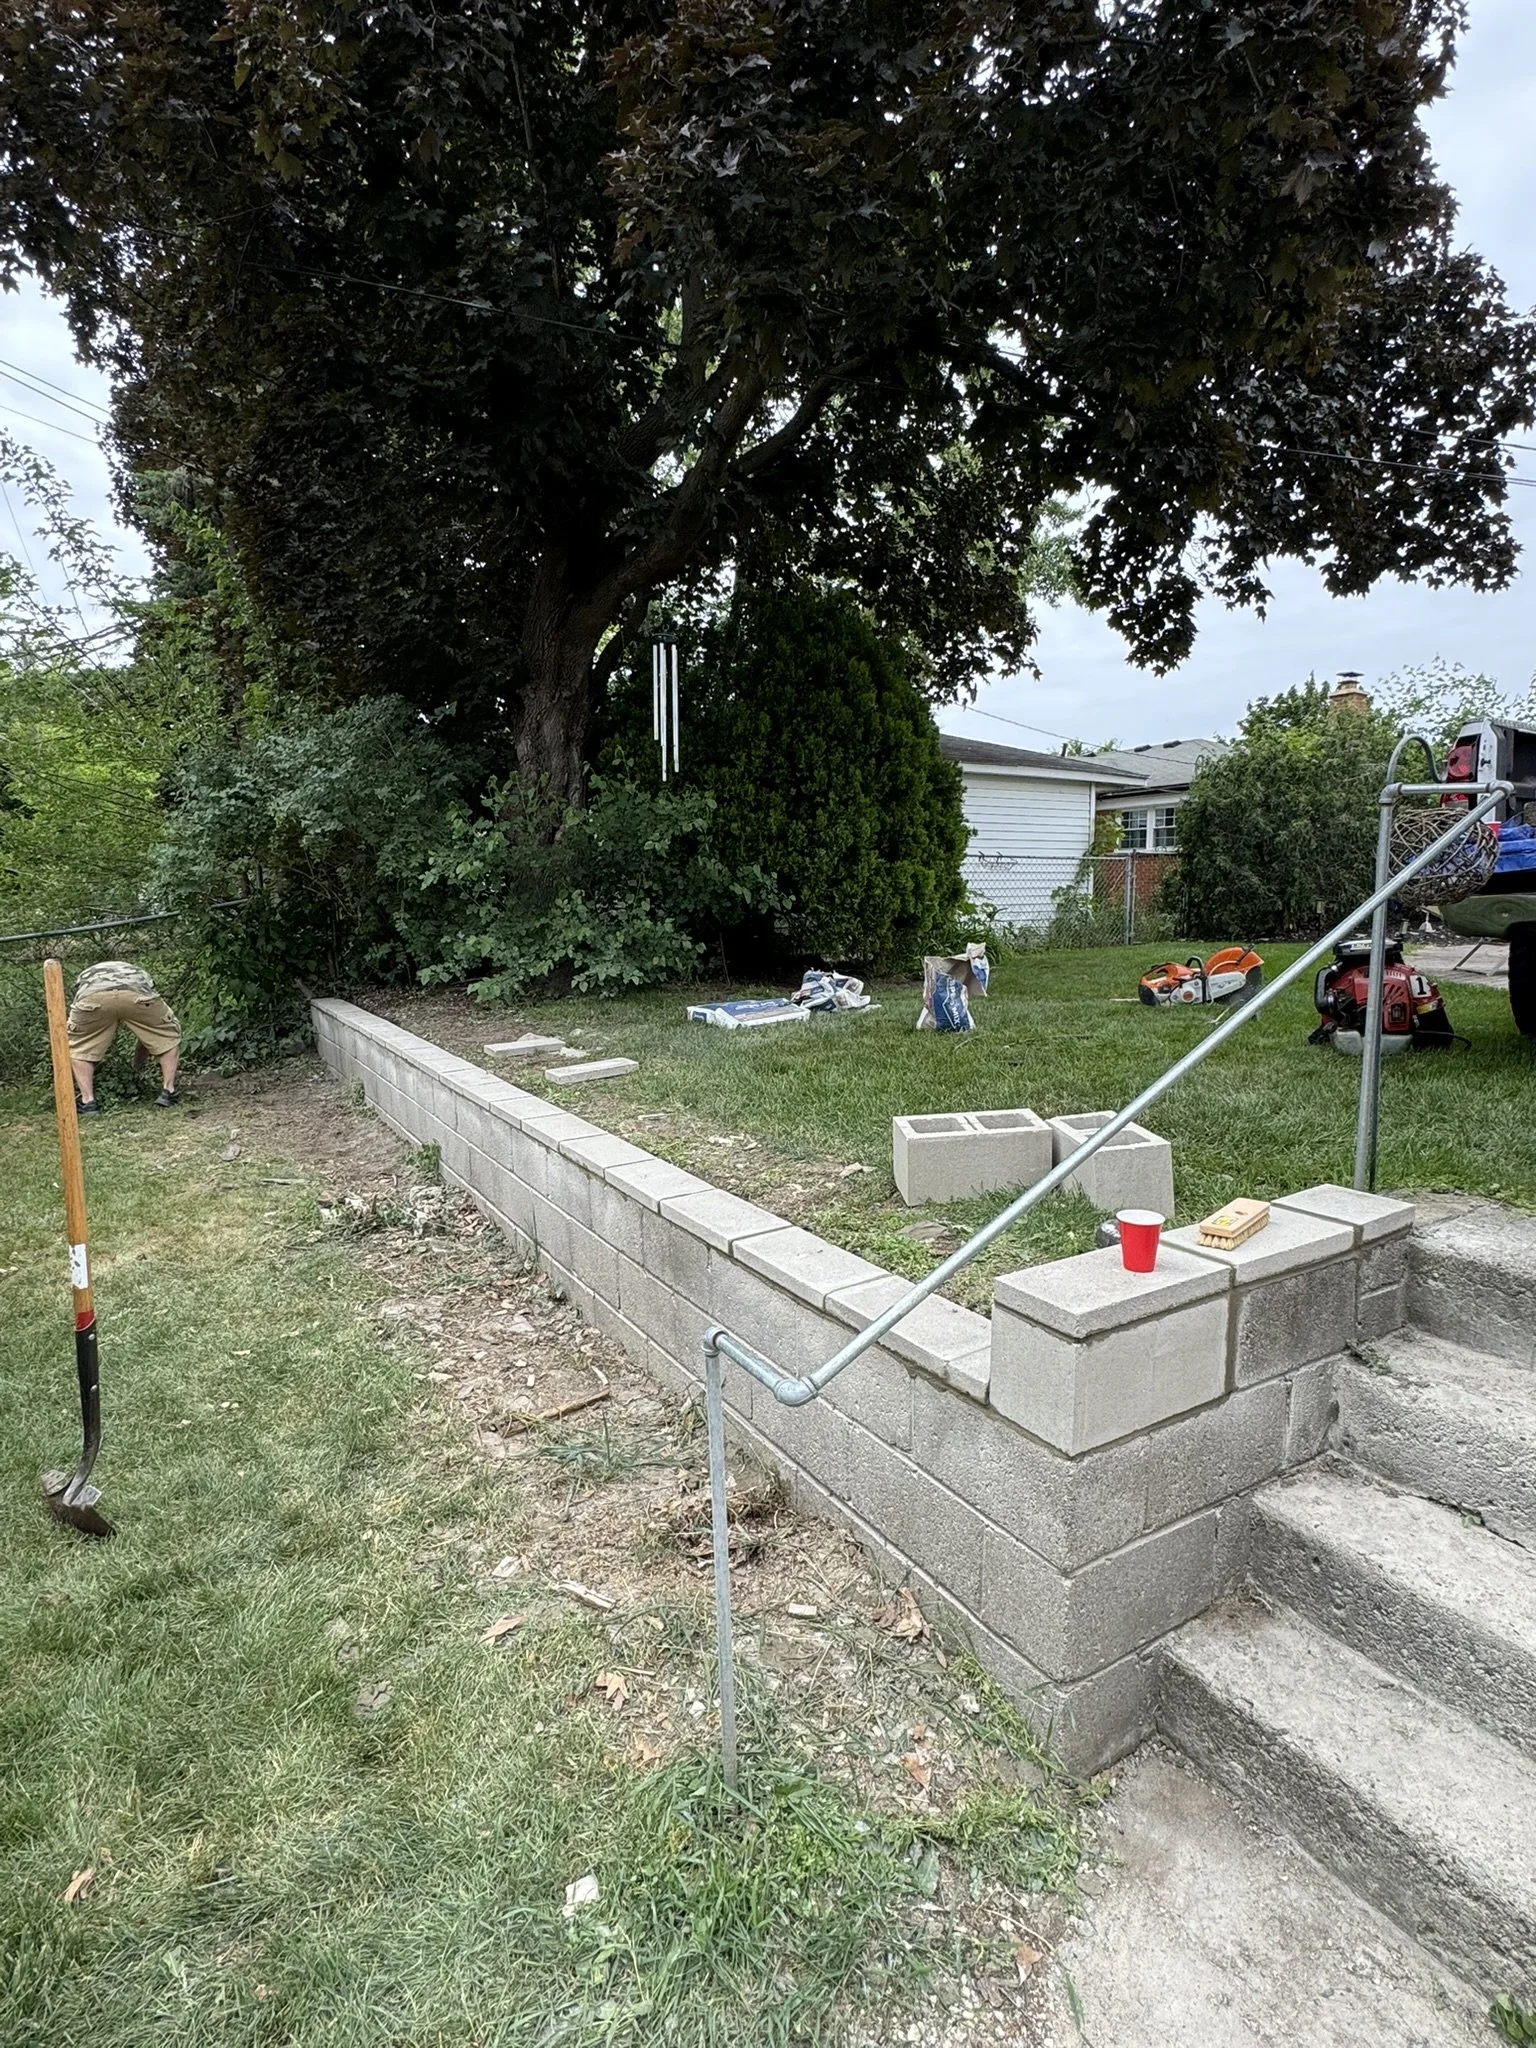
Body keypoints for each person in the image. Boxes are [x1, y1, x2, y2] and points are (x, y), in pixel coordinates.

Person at [65, 959, 181, 1113]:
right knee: (165, 1034)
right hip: (137, 994)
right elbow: (150, 1034)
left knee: (79, 1045)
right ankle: (168, 1091)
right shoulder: (137, 972)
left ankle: (88, 1102)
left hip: (92, 996)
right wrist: (138, 1068)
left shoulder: (88, 974)